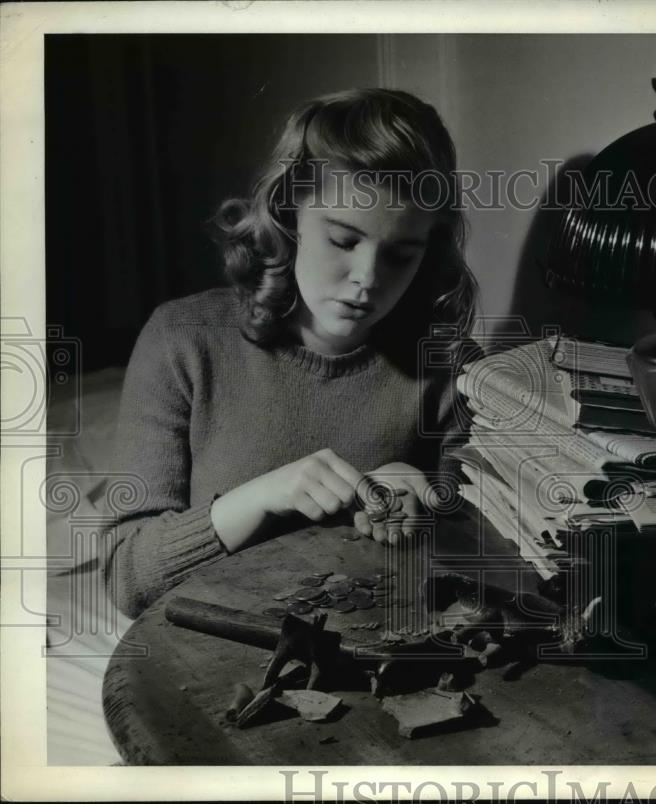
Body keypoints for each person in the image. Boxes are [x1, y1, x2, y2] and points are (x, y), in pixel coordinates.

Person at [103, 88, 480, 619]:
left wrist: (428, 500)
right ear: (289, 215)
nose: (367, 280)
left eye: (400, 254)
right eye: (343, 241)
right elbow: (127, 578)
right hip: (219, 645)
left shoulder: (451, 365)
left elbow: (492, 564)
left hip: (383, 644)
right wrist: (261, 497)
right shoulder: (181, 338)